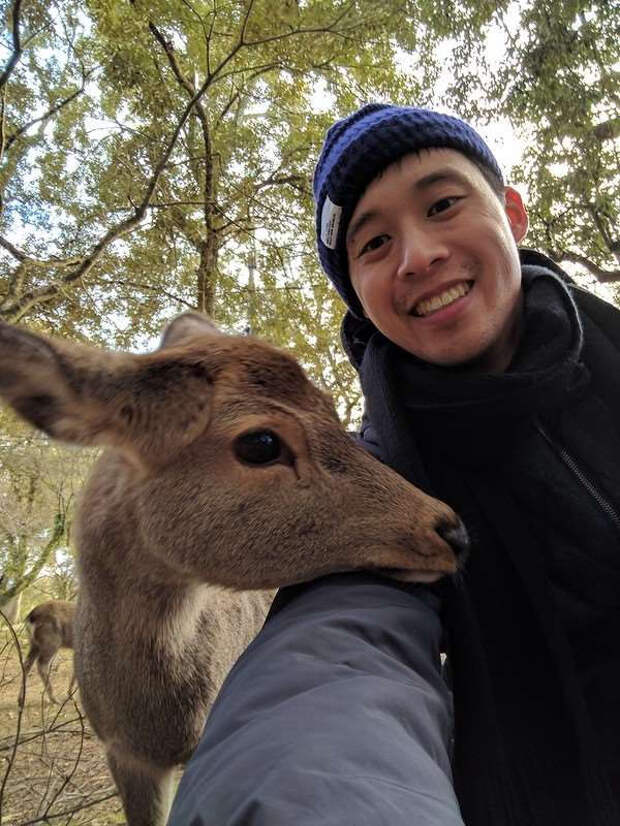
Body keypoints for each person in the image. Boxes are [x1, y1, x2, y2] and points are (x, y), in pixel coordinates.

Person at [168, 104, 620, 825]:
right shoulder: (377, 484)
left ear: (511, 212)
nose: (417, 255)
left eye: (442, 203)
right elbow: (335, 655)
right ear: (359, 294)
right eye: (373, 243)